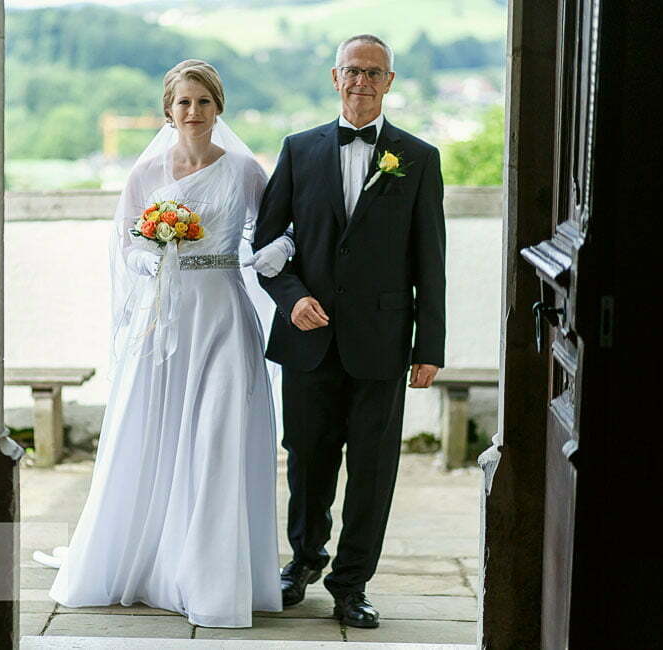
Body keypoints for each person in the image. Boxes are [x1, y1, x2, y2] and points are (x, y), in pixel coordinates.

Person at [48, 59, 294, 628]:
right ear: (168, 109)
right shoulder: (148, 172)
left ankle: (212, 577)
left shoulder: (243, 171)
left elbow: (272, 232)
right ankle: (152, 559)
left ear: (218, 107)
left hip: (224, 316)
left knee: (216, 439)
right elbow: (125, 243)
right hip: (164, 320)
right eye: (184, 102)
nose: (193, 112)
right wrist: (148, 252)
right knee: (154, 434)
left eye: (204, 101)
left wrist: (277, 253)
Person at [253, 34, 447, 629]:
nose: (361, 81)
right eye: (352, 71)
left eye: (374, 72)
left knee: (372, 467)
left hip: (383, 343)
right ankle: (303, 561)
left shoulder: (418, 156)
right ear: (334, 78)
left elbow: (429, 258)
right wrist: (292, 300)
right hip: (308, 341)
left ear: (389, 82)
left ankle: (351, 582)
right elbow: (265, 246)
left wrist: (429, 347)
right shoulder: (298, 149)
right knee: (307, 460)